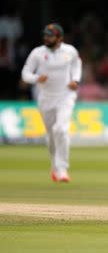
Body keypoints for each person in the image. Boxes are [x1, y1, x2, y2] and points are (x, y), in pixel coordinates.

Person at [21, 23, 82, 182]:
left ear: (60, 38)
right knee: (51, 134)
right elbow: (25, 73)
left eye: (50, 35)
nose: (46, 38)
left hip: (66, 96)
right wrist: (36, 78)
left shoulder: (70, 51)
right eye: (45, 35)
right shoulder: (37, 53)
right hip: (46, 97)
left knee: (61, 129)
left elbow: (77, 64)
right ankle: (55, 167)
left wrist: (75, 80)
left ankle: (62, 169)